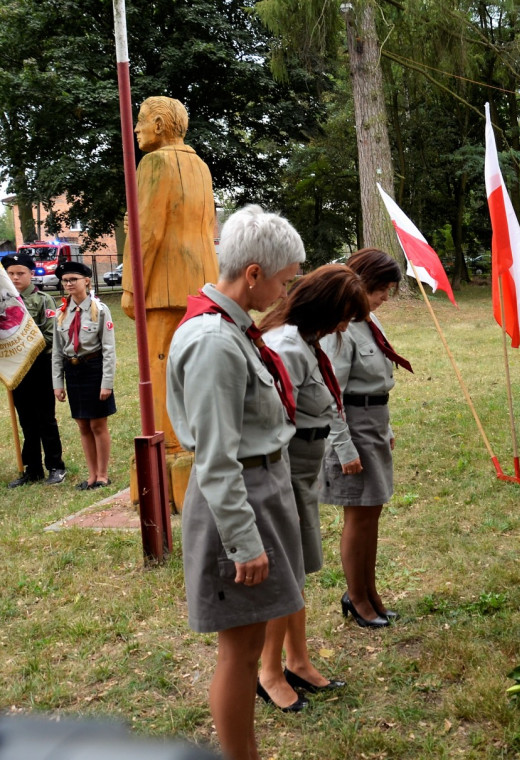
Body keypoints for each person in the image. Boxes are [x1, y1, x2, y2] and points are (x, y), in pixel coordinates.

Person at [166, 205, 305, 759]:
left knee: (248, 643)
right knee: (241, 651)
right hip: (237, 502)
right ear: (252, 273)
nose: (284, 290)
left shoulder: (233, 329)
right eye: (283, 279)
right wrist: (243, 542)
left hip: (258, 491)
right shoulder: (215, 343)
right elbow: (216, 457)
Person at [257, 264, 370, 710]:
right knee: (285, 573)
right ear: (325, 306)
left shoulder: (306, 341)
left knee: (297, 570)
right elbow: (270, 420)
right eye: (344, 315)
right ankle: (267, 673)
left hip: (304, 466)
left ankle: (297, 660)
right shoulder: (286, 345)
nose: (345, 326)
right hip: (285, 467)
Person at [122, 95, 219, 460]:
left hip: (164, 287)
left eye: (141, 121)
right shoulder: (201, 167)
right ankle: (198, 440)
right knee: (198, 366)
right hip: (202, 283)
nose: (136, 129)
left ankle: (172, 445)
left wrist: (132, 287)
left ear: (160, 125)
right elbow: (207, 224)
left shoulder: (154, 162)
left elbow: (148, 232)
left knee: (161, 364)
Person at [320, 248, 411, 629]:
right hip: (352, 428)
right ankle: (356, 597)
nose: (385, 297)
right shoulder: (339, 329)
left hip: (372, 423)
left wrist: (385, 428)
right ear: (360, 284)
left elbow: (377, 380)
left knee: (372, 513)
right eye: (380, 289)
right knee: (358, 516)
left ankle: (368, 590)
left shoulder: (367, 321)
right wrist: (344, 447)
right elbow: (331, 393)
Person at [51, 262, 116, 490]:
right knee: (82, 425)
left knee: (98, 424)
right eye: (65, 280)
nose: (68, 284)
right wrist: (57, 383)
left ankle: (103, 474)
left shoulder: (100, 310)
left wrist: (106, 383)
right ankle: (91, 475)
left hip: (94, 369)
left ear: (86, 281)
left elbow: (109, 350)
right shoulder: (61, 313)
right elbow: (57, 352)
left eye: (73, 279)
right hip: (73, 371)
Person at [3, 254, 66, 487]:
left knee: (45, 418)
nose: (15, 277)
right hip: (16, 367)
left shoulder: (43, 300)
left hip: (40, 365)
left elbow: (51, 334)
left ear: (31, 274)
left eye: (20, 273)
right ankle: (33, 468)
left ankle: (55, 466)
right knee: (26, 420)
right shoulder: (4, 301)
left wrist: (26, 349)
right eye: (11, 273)